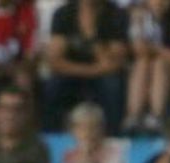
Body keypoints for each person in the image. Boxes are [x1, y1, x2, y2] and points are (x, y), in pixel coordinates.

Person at [43, 0, 128, 135]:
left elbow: (115, 62)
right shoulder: (63, 13)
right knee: (53, 85)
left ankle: (114, 134)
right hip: (74, 71)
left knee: (113, 85)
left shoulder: (116, 14)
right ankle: (50, 134)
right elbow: (55, 61)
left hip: (102, 74)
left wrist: (91, 33)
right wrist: (91, 70)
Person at [122, 0, 170, 135]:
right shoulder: (141, 18)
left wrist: (154, 49)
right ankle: (134, 116)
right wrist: (139, 28)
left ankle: (156, 116)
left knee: (161, 63)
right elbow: (138, 50)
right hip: (150, 77)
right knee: (143, 63)